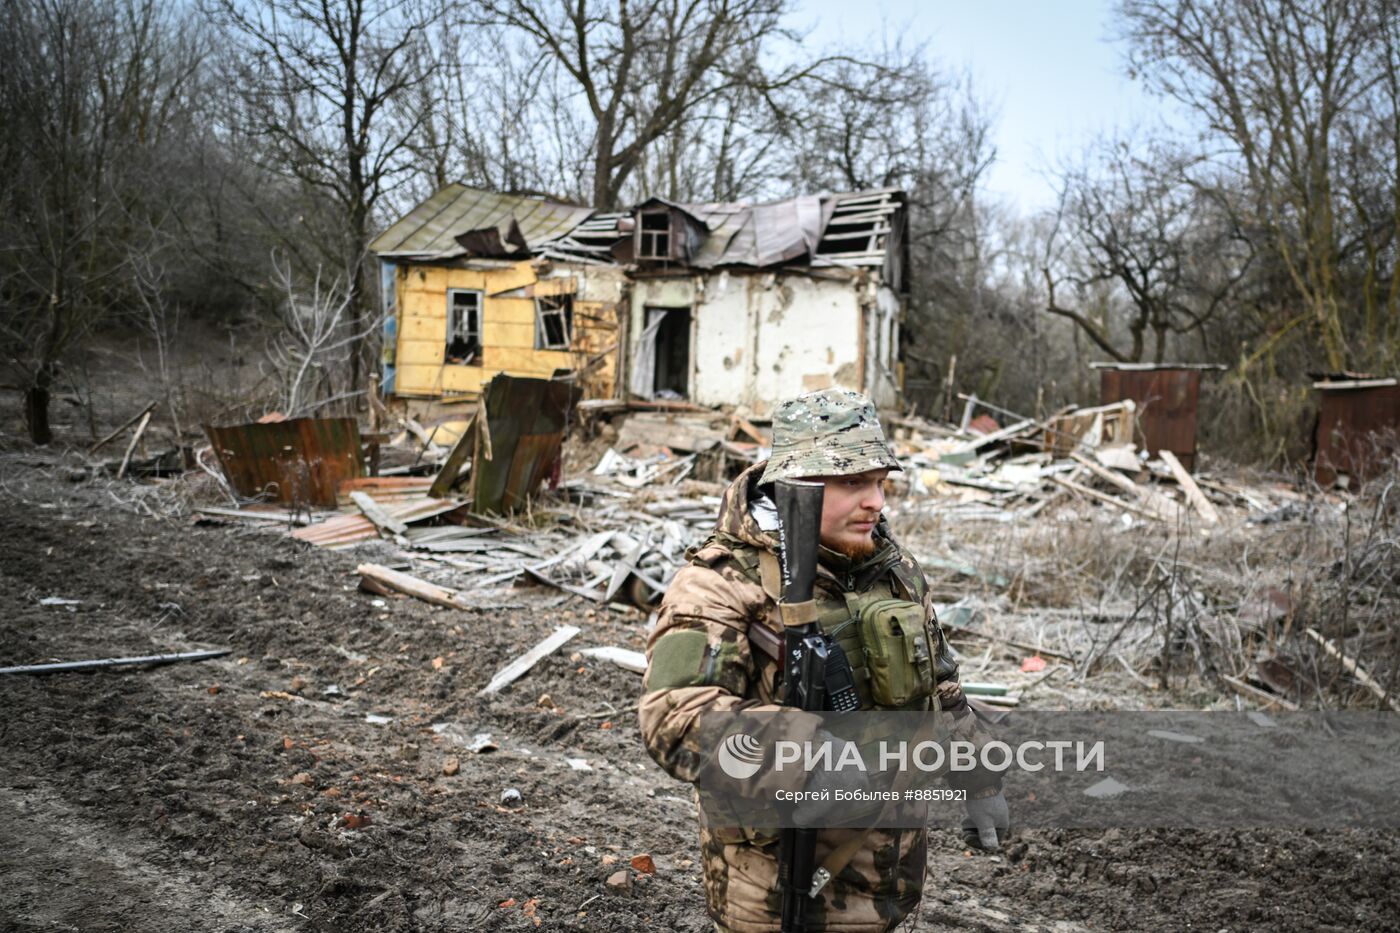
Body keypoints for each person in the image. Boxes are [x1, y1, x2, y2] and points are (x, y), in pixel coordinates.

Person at [639, 388, 1008, 933]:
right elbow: (673, 715)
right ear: (797, 486)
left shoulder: (893, 569)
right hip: (775, 898)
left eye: (881, 482)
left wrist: (980, 778)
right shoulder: (723, 581)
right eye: (854, 482)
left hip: (889, 889)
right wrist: (806, 755)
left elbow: (940, 685)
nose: (876, 502)